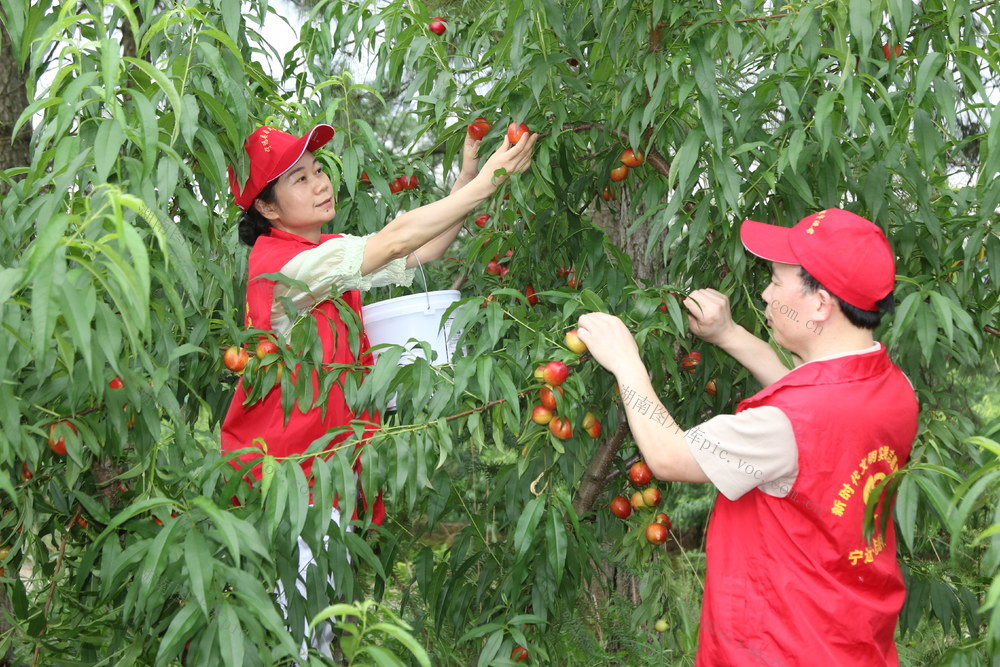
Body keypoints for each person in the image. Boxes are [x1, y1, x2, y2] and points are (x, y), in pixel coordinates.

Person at [220, 122, 535, 656]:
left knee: (322, 626)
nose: (320, 183)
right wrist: (485, 184)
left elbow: (419, 250)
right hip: (287, 484)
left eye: (319, 170)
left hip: (325, 475)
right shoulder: (285, 267)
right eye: (300, 179)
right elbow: (392, 239)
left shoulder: (324, 252)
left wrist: (466, 180)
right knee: (303, 639)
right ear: (268, 209)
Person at [576, 208, 918, 666]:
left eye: (776, 281)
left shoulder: (785, 423)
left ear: (820, 304)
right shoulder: (892, 387)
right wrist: (728, 334)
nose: (764, 292)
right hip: (852, 639)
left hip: (779, 647)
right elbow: (810, 397)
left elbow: (669, 456)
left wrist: (626, 365)